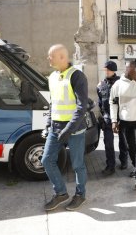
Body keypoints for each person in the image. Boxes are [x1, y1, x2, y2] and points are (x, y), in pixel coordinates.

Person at [41, 44, 88, 211]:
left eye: (50, 56)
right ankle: (61, 193)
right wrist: (48, 125)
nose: (48, 59)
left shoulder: (77, 76)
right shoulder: (52, 77)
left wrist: (68, 130)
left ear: (62, 57)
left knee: (77, 165)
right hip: (55, 128)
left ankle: (80, 195)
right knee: (46, 160)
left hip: (74, 130)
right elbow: (53, 103)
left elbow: (81, 107)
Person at [109, 61, 136, 190]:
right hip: (125, 121)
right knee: (130, 148)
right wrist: (114, 120)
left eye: (133, 69)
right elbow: (113, 103)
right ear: (125, 69)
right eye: (128, 68)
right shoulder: (118, 84)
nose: (130, 71)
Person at [97, 61, 128, 175]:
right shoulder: (101, 85)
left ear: (113, 70)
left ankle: (124, 161)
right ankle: (110, 166)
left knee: (123, 142)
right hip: (108, 118)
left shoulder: (122, 83)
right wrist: (103, 115)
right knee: (108, 143)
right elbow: (100, 102)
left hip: (121, 117)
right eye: (105, 70)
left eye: (108, 70)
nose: (106, 71)